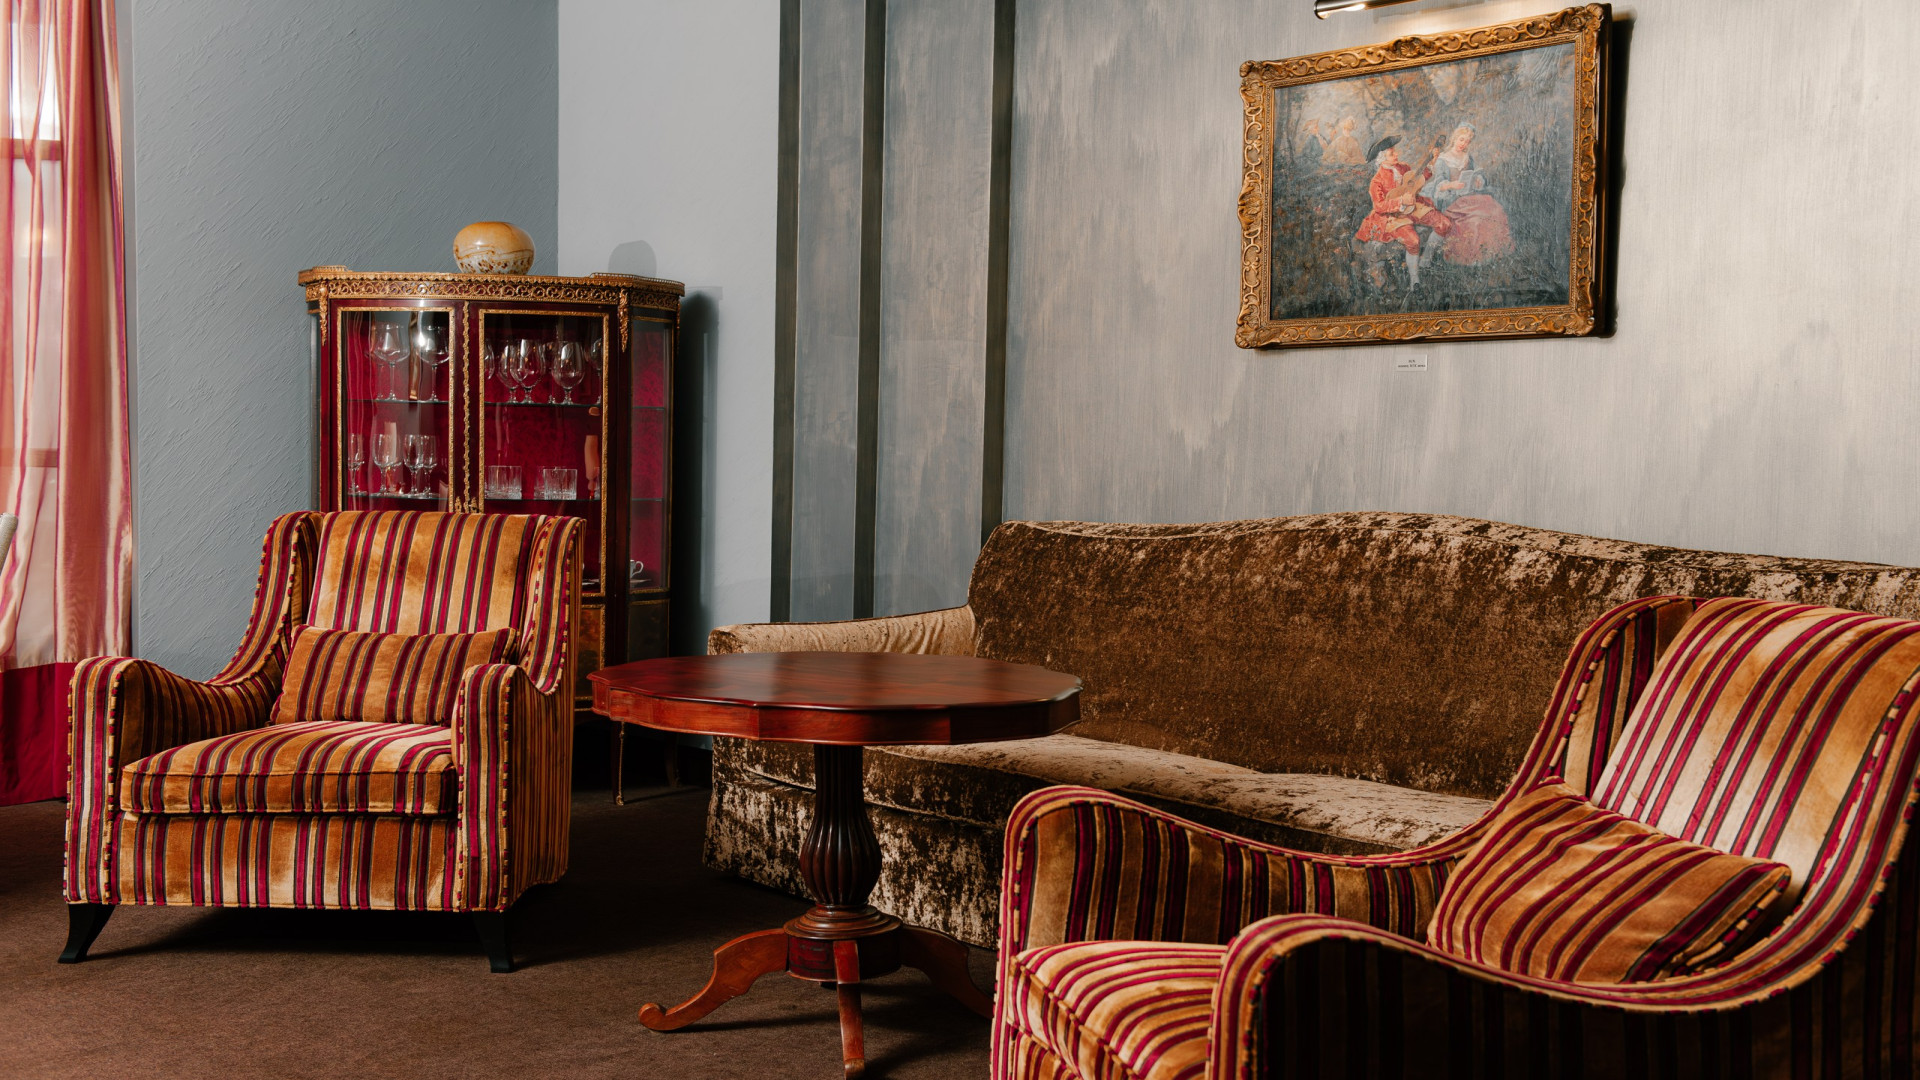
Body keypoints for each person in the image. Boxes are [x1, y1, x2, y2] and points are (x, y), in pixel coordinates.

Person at [1353, 135, 1452, 288]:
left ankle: (1426, 260)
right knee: (1413, 241)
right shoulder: (1377, 181)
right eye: (1391, 154)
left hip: (1413, 206)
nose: (1396, 154)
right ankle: (1414, 280)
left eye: (1395, 151)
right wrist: (1400, 201)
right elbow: (1379, 206)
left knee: (1444, 224)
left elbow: (1418, 180)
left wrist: (1431, 162)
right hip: (1393, 215)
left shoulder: (1404, 167)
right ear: (1382, 158)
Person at [1419, 122, 1513, 265]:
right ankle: (1468, 259)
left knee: (1494, 211)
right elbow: (1439, 184)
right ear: (1454, 138)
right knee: (1474, 220)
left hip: (1469, 196)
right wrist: (1452, 185)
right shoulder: (1443, 159)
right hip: (1450, 198)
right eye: (1461, 139)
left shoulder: (1468, 157)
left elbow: (1477, 173)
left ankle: (1488, 256)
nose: (1463, 144)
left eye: (1467, 141)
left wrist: (1478, 180)